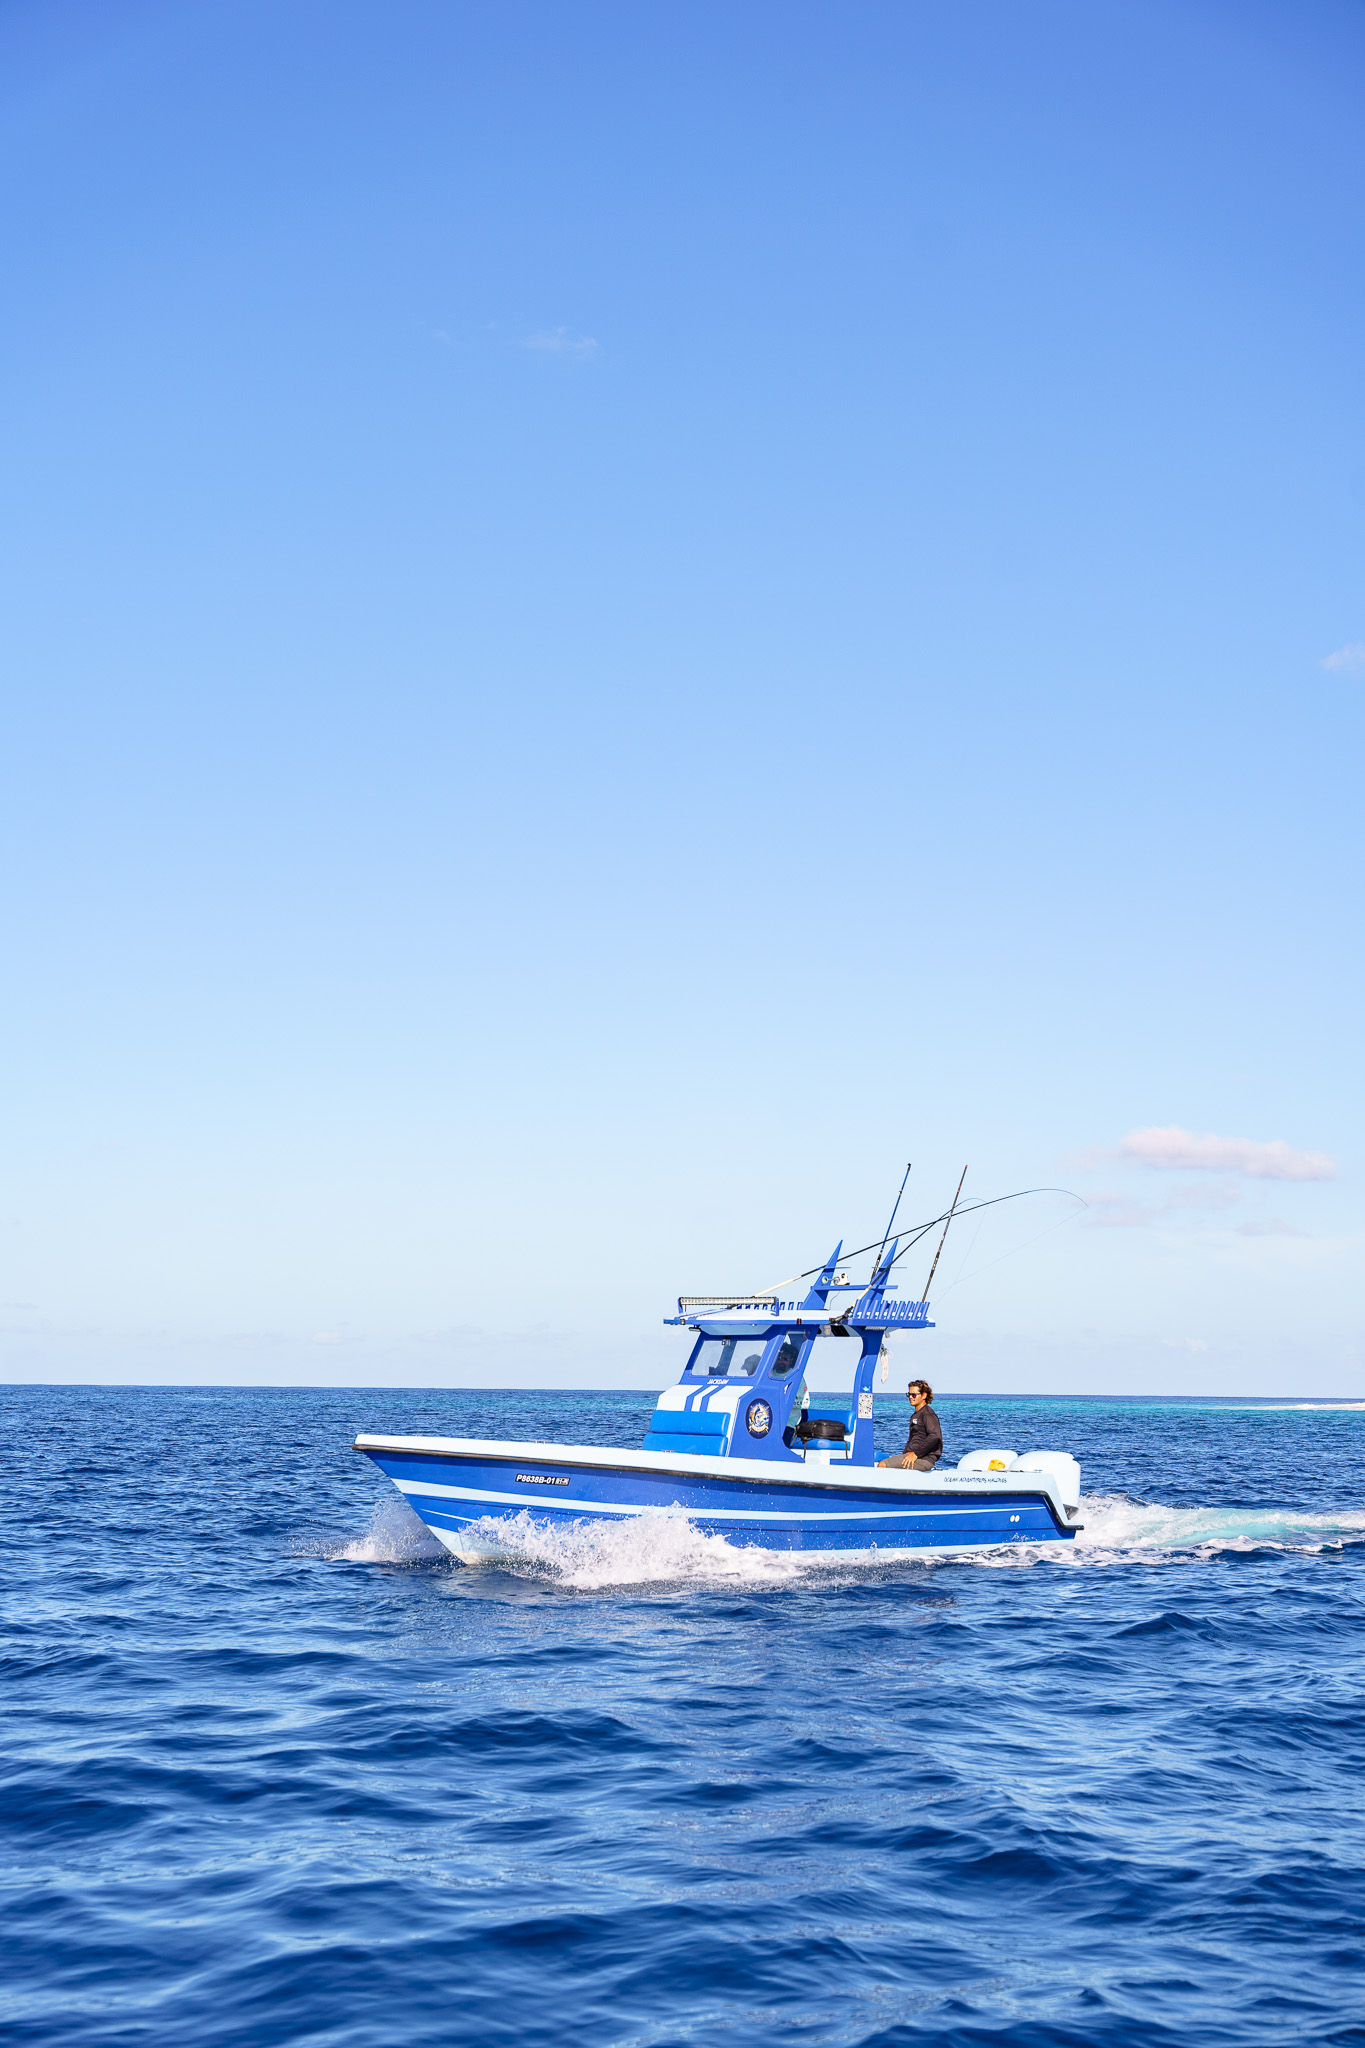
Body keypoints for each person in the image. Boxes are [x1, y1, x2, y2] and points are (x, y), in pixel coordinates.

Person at [878, 1379, 942, 1471]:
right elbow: (912, 1440)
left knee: (882, 1465)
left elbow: (935, 1436)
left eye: (914, 1395)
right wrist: (905, 1455)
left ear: (924, 1395)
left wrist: (916, 1454)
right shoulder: (915, 1415)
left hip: (924, 1459)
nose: (910, 1397)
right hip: (914, 1456)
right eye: (909, 1394)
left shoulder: (928, 1414)